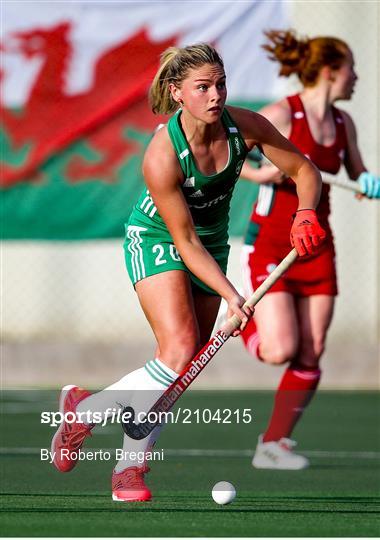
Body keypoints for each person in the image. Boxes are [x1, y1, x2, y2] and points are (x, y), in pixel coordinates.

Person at [51, 43, 326, 502]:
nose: (216, 94)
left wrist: (305, 213)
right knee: (179, 350)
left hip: (211, 245)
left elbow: (304, 170)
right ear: (177, 93)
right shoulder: (162, 155)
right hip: (160, 238)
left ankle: (125, 469)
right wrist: (235, 296)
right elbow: (185, 241)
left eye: (220, 83)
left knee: (180, 368)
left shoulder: (246, 126)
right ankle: (87, 411)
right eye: (203, 87)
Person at [239, 30, 380, 470]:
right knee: (279, 349)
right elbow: (228, 155)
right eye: (351, 69)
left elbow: (357, 173)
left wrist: (368, 183)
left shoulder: (343, 124)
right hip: (273, 244)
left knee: (311, 350)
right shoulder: (281, 114)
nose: (356, 77)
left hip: (317, 246)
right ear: (329, 72)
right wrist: (262, 175)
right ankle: (242, 321)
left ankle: (273, 445)